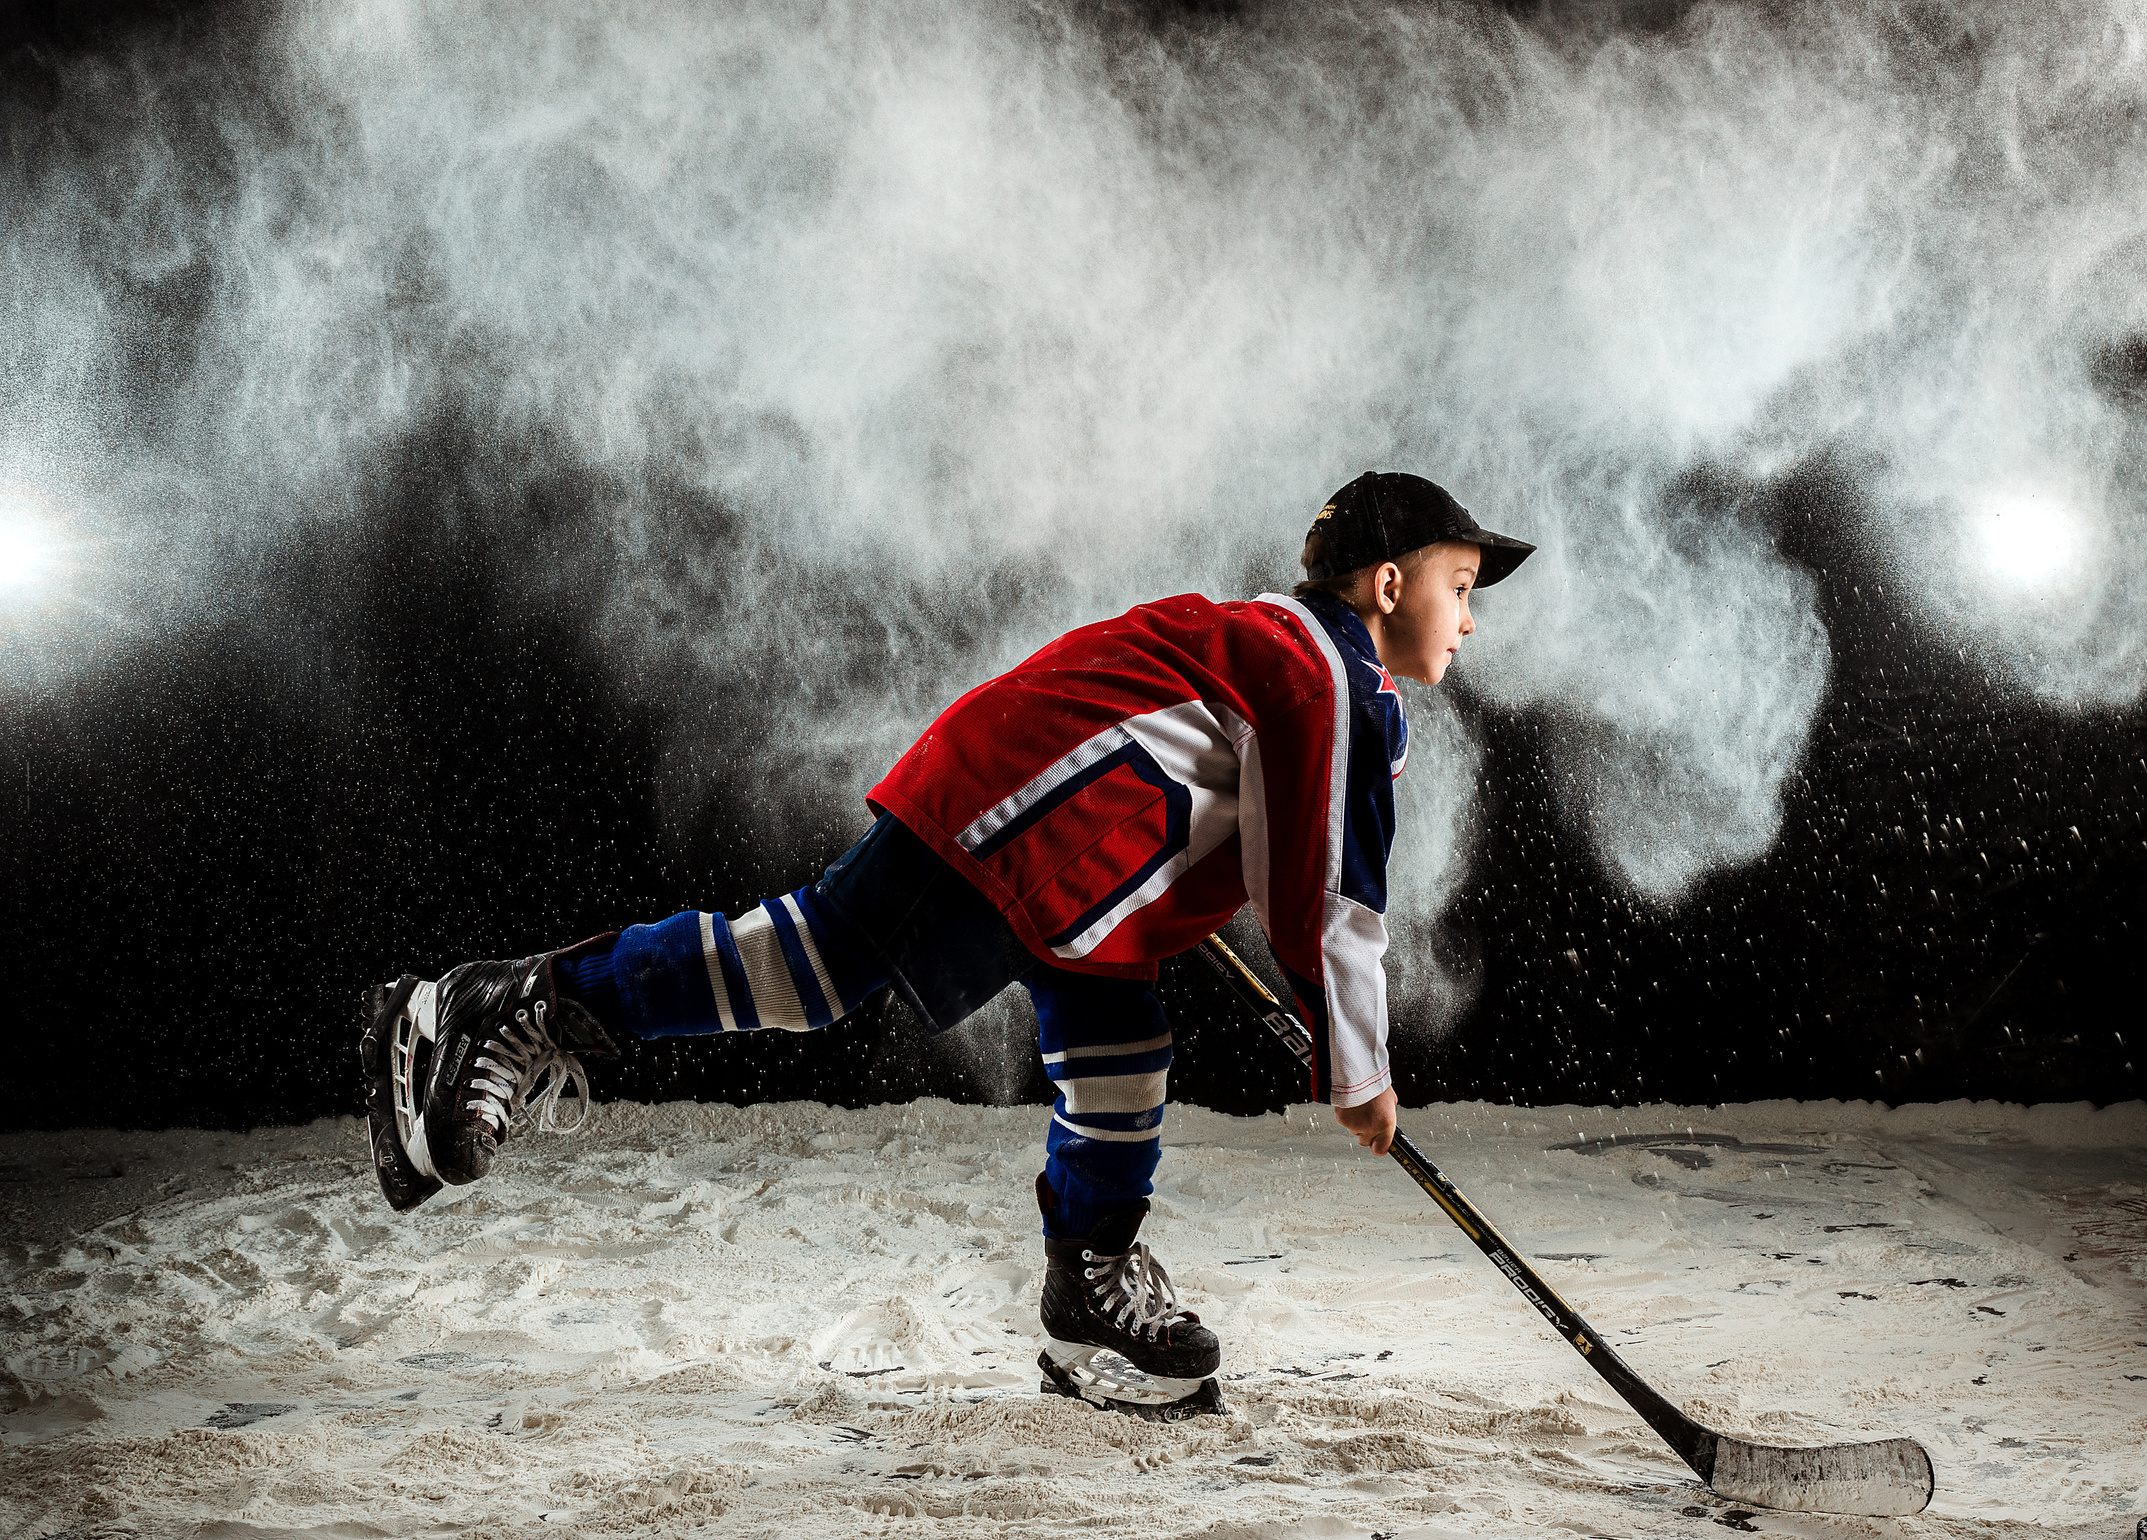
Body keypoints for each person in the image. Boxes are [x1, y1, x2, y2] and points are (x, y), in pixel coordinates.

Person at [357, 471, 1534, 1419]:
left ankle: (1087, 1286)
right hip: (1024, 827)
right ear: (1387, 583)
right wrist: (1362, 1076)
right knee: (804, 970)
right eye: (1461, 584)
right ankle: (510, 1005)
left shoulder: (1283, 657)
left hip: (1079, 872)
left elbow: (1259, 834)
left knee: (1122, 1056)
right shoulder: (1334, 676)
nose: (1471, 617)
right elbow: (1328, 893)